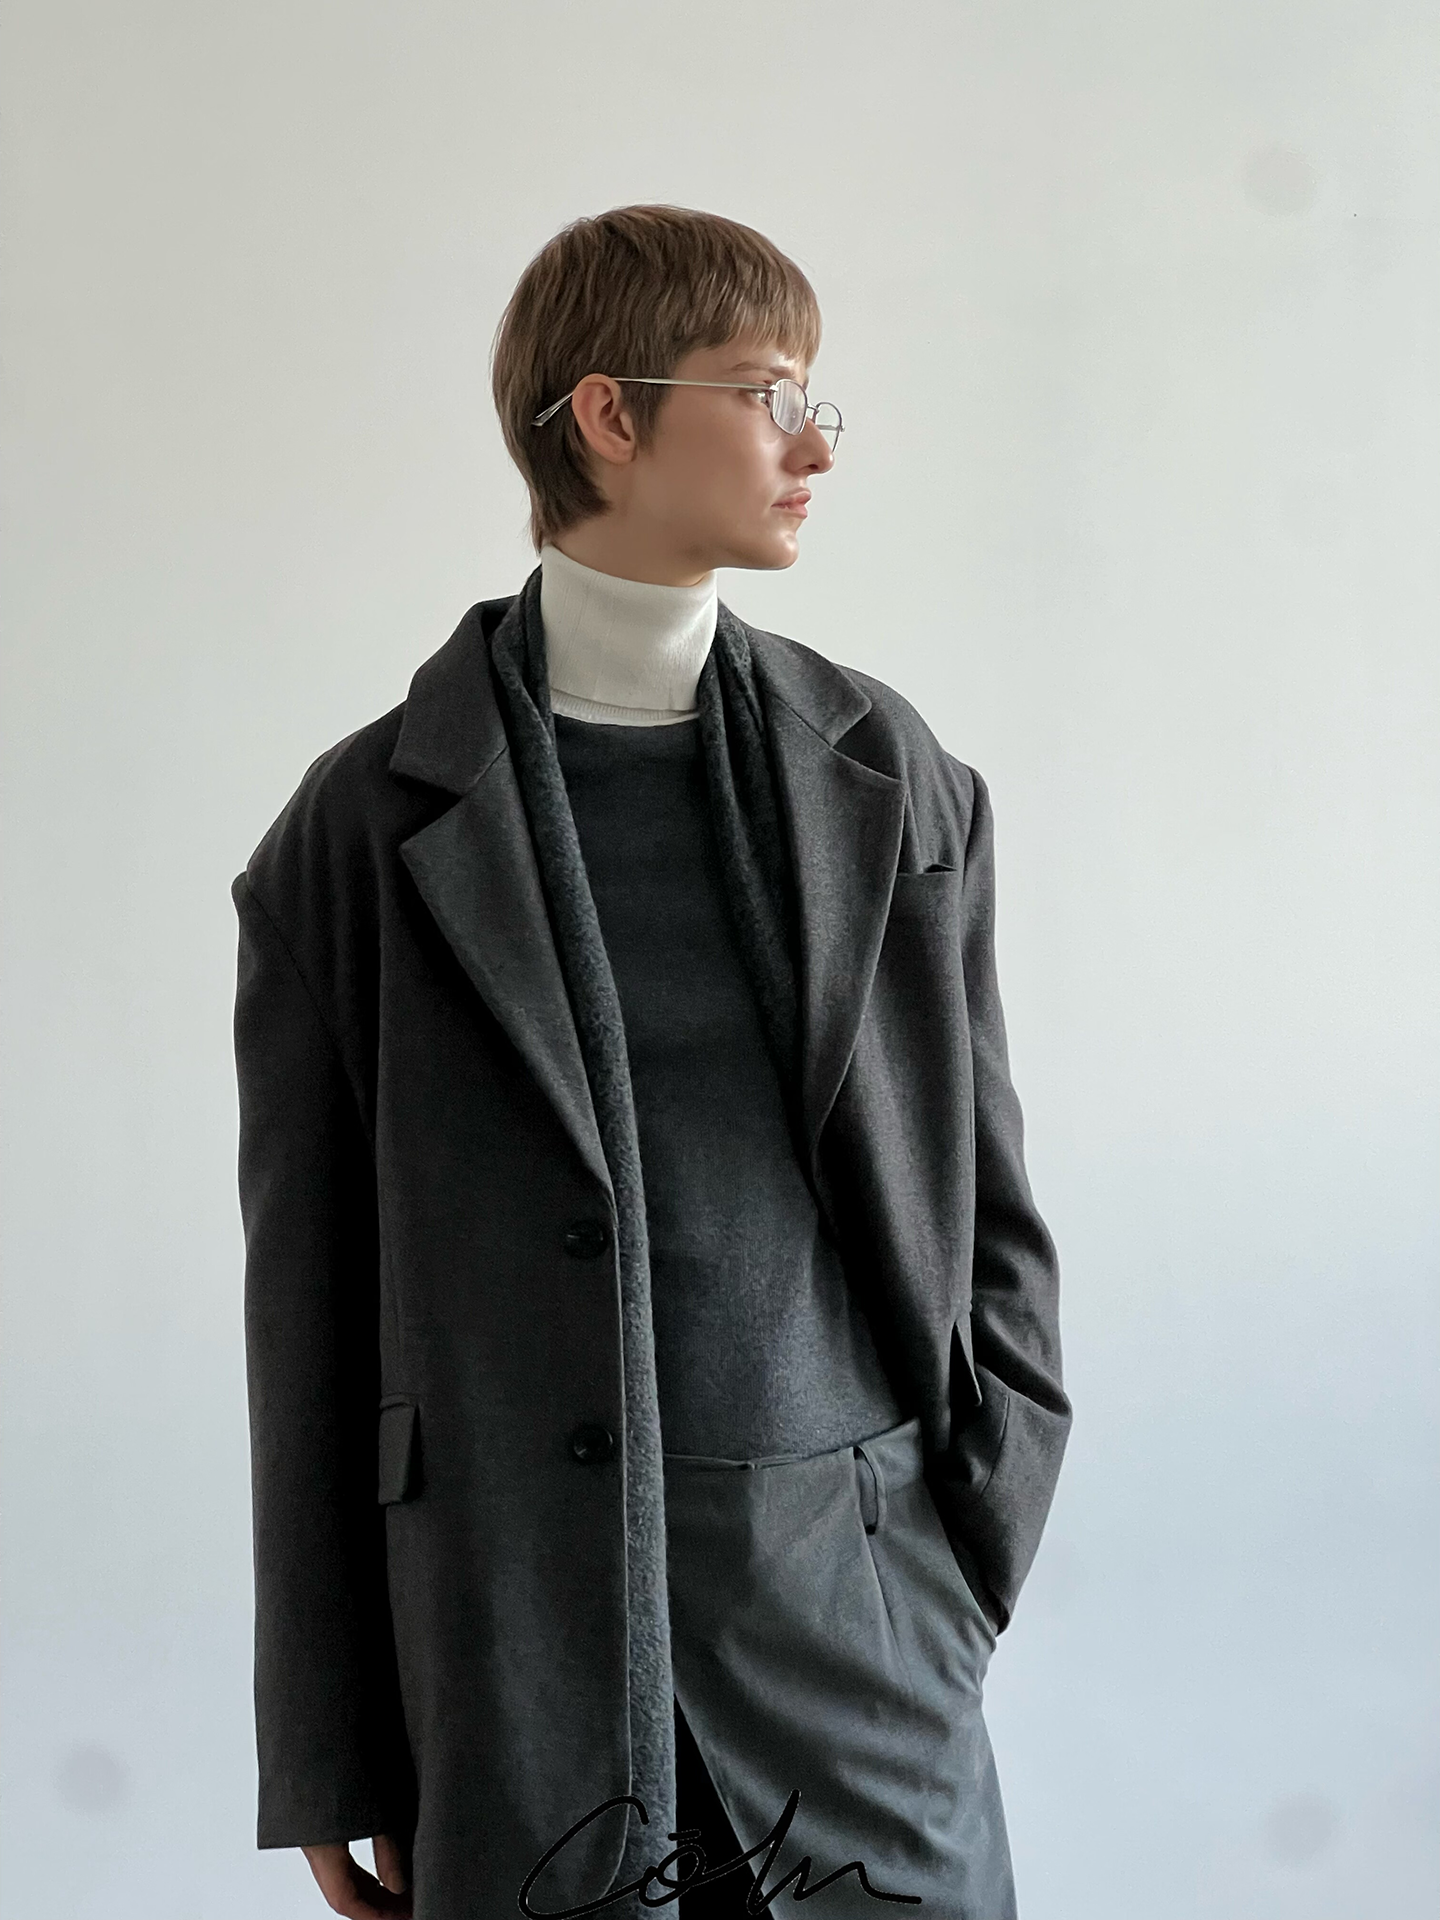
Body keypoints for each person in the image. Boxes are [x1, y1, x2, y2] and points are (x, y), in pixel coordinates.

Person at [231, 204, 1071, 1920]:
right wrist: (329, 1745)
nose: (816, 445)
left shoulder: (892, 780)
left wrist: (968, 1549)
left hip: (862, 1629)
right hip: (510, 1655)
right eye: (769, 393)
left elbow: (987, 1202)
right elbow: (305, 1319)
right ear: (608, 417)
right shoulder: (358, 833)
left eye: (818, 397)